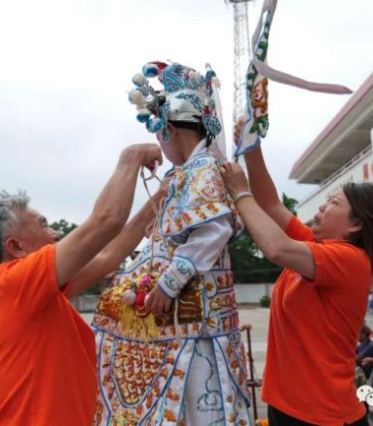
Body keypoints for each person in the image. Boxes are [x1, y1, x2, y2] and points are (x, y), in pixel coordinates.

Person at [88, 61, 250, 425]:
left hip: (195, 314)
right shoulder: (188, 172)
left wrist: (170, 281)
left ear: (170, 129)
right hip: (185, 314)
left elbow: (213, 230)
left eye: (160, 134)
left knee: (201, 401)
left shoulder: (203, 170)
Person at [220, 140, 373, 424]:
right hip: (289, 405)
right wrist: (251, 143)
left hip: (322, 414)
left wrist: (240, 192)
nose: (322, 206)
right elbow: (271, 204)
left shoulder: (350, 259)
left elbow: (276, 248)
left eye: (333, 202)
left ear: (355, 224)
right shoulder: (315, 245)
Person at [0, 143, 163, 426]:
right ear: (16, 247)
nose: (56, 233)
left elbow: (108, 256)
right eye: (43, 225)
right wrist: (131, 157)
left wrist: (158, 199)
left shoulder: (35, 292)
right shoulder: (12, 282)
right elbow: (106, 222)